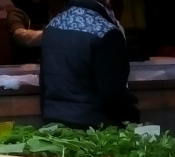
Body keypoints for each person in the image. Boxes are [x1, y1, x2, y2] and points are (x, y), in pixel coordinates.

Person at [40, 0, 139, 129]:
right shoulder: (106, 31)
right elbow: (112, 92)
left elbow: (44, 82)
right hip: (94, 127)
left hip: (54, 122)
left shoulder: (52, 26)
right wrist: (132, 116)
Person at [6, 0, 63, 64]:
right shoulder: (16, 12)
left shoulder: (50, 8)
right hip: (26, 63)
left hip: (50, 61)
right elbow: (19, 35)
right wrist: (50, 35)